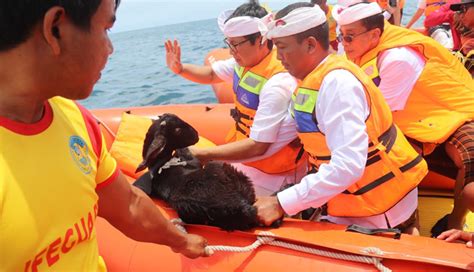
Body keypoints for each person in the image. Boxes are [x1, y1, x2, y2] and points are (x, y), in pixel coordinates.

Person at [0, 0, 209, 271]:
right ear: (55, 29)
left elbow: (130, 206)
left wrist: (180, 241)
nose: (110, 48)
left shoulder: (75, 119)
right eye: (106, 29)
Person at [254, 2, 428, 234]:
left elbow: (348, 166)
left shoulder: (337, 84)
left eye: (282, 47)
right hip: (352, 198)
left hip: (378, 204)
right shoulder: (312, 81)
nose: (278, 57)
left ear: (310, 44)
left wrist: (280, 202)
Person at [334, 1, 474, 237]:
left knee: (469, 154)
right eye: (340, 36)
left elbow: (379, 114)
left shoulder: (397, 57)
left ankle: (454, 222)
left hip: (450, 115)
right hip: (413, 119)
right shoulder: (359, 48)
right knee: (399, 153)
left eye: (348, 37)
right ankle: (410, 224)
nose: (342, 43)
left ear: (375, 34)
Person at [165, 1, 307, 196]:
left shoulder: (278, 83)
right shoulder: (243, 63)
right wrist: (180, 69)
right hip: (248, 163)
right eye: (228, 43)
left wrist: (203, 155)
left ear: (261, 40)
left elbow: (259, 146)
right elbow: (211, 74)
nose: (231, 50)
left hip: (275, 176)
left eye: (236, 44)